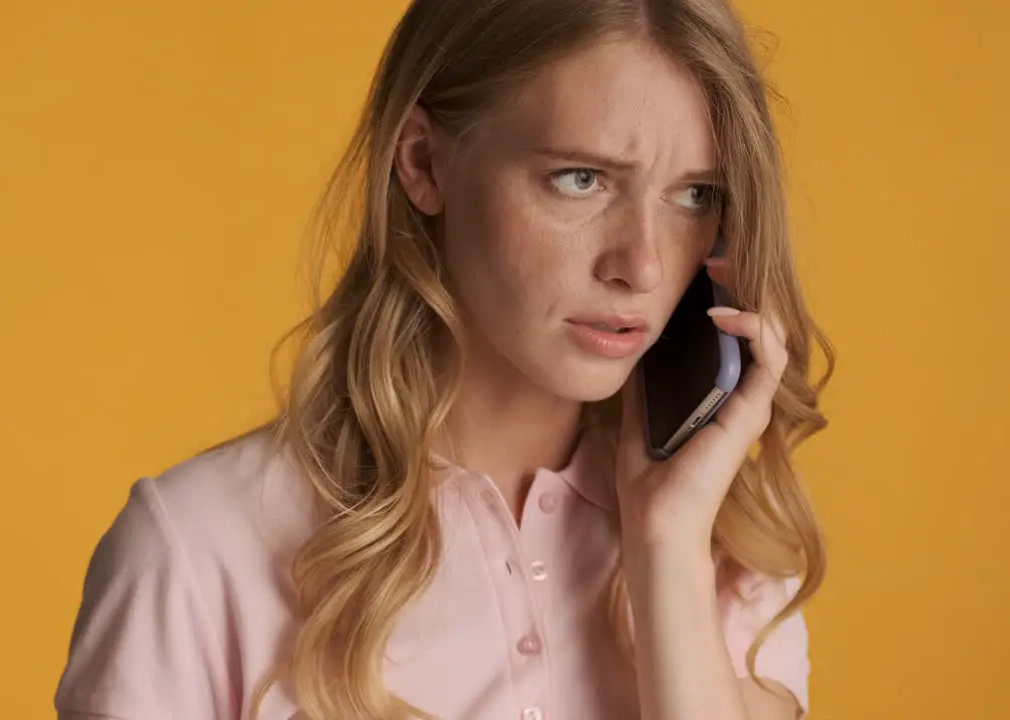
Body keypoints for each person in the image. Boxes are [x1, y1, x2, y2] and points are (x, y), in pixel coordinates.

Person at [53, 0, 834, 718]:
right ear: (424, 163)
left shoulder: (731, 551)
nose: (647, 268)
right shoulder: (198, 552)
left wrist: (668, 553)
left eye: (695, 195)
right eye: (581, 179)